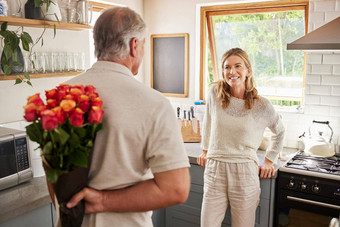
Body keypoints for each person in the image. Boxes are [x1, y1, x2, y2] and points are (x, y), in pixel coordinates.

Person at [45, 7, 191, 227]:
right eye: (142, 44)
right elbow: (176, 189)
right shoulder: (154, 103)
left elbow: (52, 174)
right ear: (134, 45)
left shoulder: (60, 95)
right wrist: (103, 201)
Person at [197, 48, 285, 227]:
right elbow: (208, 122)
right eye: (227, 67)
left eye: (238, 66)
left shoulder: (261, 105)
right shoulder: (215, 93)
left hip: (245, 172)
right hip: (215, 169)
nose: (232, 71)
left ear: (248, 71)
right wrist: (205, 150)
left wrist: (269, 160)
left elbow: (280, 131)